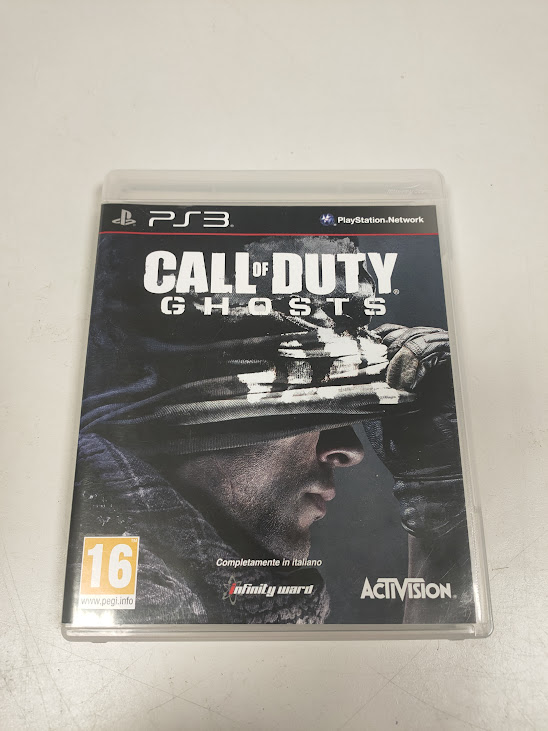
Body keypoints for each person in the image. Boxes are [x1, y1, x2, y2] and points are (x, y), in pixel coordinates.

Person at [65, 236, 473, 625]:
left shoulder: (146, 586)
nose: (350, 449)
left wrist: (441, 506)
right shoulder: (128, 598)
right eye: (305, 398)